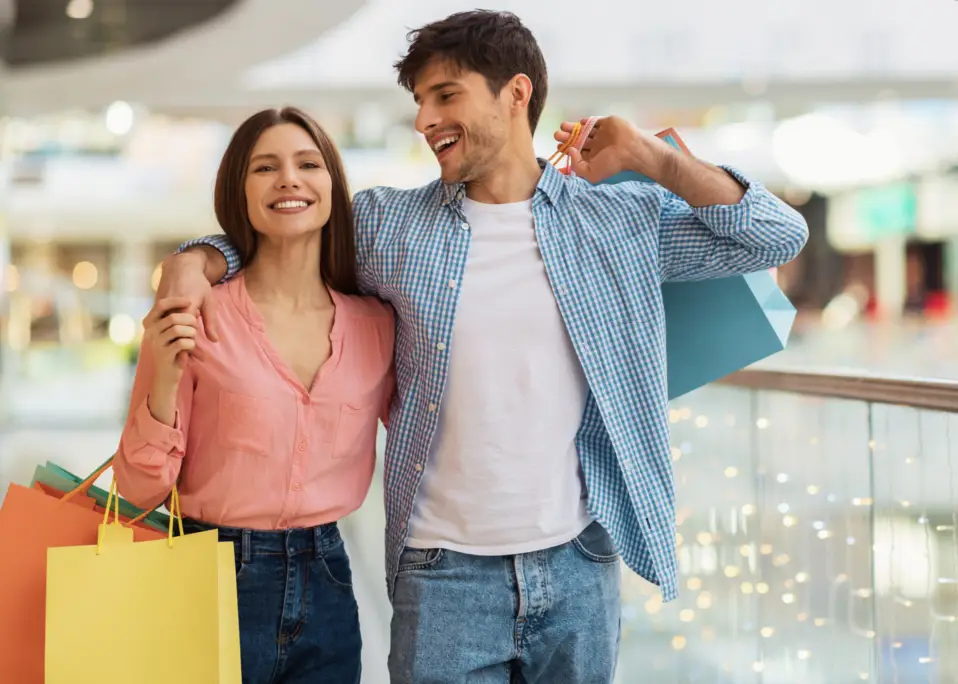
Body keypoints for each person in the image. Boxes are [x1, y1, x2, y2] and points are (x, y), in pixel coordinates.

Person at [156, 10, 809, 684]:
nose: (424, 120)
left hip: (578, 565)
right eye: (419, 102)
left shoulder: (618, 221)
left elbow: (775, 236)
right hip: (443, 576)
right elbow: (286, 235)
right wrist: (198, 257)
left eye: (446, 95)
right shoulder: (391, 227)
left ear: (516, 94)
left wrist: (653, 158)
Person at [114, 106, 395, 684]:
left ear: (331, 186)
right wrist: (165, 373)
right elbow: (139, 490)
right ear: (238, 193)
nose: (289, 178)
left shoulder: (377, 325)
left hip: (329, 582)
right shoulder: (195, 312)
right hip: (206, 573)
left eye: (308, 163)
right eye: (265, 167)